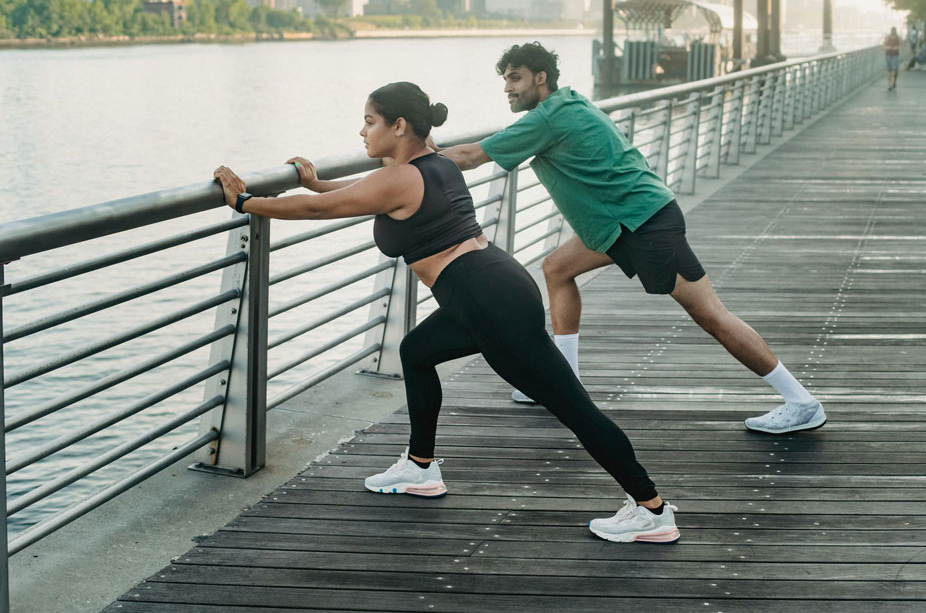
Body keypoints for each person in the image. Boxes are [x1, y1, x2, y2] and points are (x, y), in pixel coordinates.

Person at [211, 81, 680, 543]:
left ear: (398, 126)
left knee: (574, 408)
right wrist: (316, 183)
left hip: (485, 299)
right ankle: (419, 467)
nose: (361, 132)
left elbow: (322, 211)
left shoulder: (397, 178)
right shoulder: (434, 163)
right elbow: (361, 194)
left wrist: (245, 202)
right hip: (491, 283)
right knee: (415, 351)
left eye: (369, 122)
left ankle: (651, 508)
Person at [440, 42, 826, 435]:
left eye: (515, 78)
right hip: (619, 223)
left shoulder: (548, 118)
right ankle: (564, 381)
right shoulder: (569, 103)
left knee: (712, 317)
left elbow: (471, 156)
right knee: (557, 268)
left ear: (540, 78)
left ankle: (801, 402)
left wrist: (415, 157)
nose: (508, 87)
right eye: (505, 79)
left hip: (643, 224)